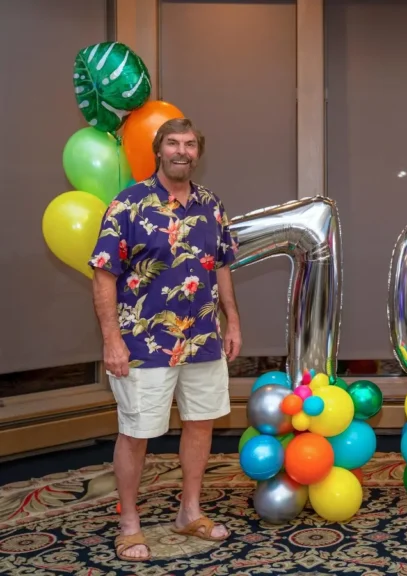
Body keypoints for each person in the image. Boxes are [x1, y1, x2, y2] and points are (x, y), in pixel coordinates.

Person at [89, 118, 242, 562]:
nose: (181, 151)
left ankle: (189, 511)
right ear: (158, 150)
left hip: (203, 339)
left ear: (198, 152)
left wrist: (232, 321)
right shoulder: (128, 204)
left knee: (201, 422)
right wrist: (111, 341)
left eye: (190, 144)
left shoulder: (211, 204)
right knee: (136, 433)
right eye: (172, 143)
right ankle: (129, 523)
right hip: (142, 344)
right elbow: (103, 274)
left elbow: (222, 266)